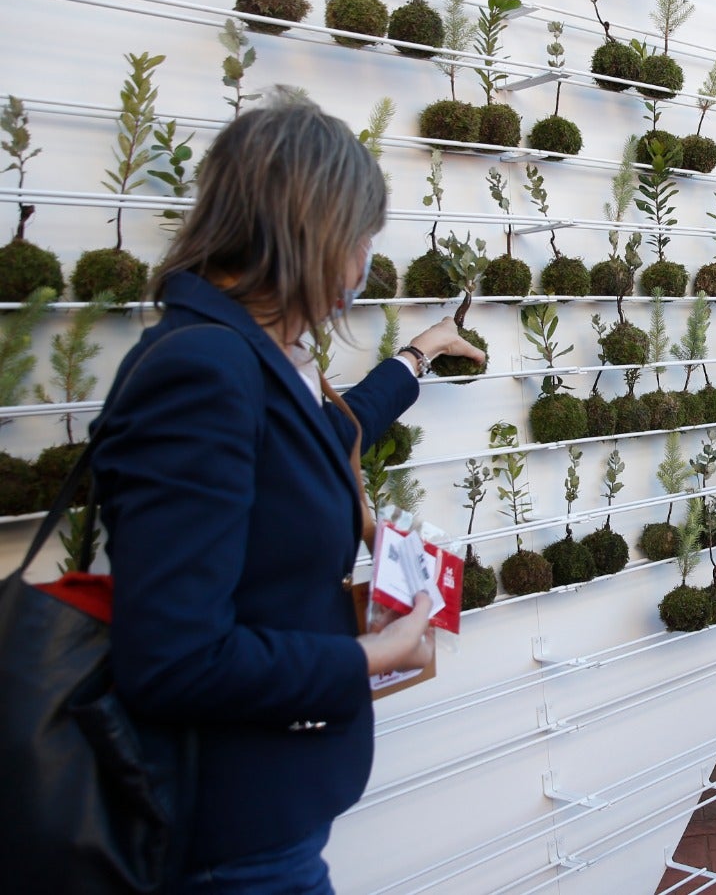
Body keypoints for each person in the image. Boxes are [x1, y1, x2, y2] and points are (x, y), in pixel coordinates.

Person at [92, 98, 485, 893]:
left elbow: (320, 436)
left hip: (268, 828)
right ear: (320, 232)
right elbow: (173, 661)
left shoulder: (248, 352)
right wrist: (367, 656)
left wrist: (417, 356)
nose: (363, 264)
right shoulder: (205, 368)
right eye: (365, 240)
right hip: (230, 844)